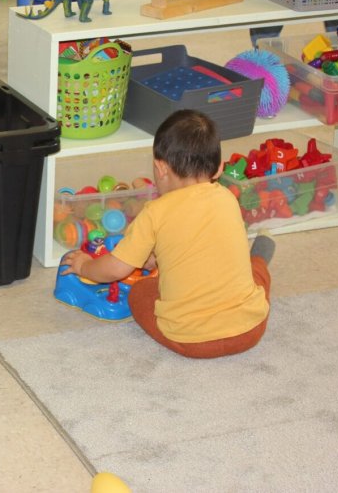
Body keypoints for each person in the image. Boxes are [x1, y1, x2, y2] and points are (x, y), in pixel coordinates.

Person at [61, 109, 274, 358]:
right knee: (253, 277)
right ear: (219, 169)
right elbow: (204, 239)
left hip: (193, 341)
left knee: (141, 293)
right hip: (251, 330)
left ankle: (253, 264)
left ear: (160, 168)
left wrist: (85, 266)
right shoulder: (227, 198)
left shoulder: (155, 212)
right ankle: (260, 256)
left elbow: (115, 270)